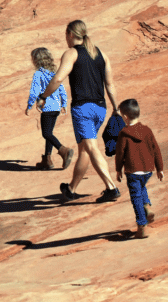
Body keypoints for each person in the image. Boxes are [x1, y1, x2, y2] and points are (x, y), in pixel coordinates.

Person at [35, 19, 121, 202]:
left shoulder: (71, 53)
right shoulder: (101, 54)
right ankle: (71, 189)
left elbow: (58, 78)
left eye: (66, 35)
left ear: (71, 34)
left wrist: (43, 96)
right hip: (100, 108)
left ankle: (111, 188)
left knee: (90, 147)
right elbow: (110, 84)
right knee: (84, 149)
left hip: (83, 109)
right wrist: (116, 108)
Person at [114, 98, 164, 238]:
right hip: (147, 170)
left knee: (136, 196)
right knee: (142, 188)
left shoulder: (124, 133)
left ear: (125, 117)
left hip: (133, 170)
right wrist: (159, 168)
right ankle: (147, 206)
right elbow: (156, 150)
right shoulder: (147, 130)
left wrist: (118, 170)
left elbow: (120, 154)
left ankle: (141, 226)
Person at [24, 47, 74, 170]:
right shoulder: (54, 73)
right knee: (49, 133)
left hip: (47, 107)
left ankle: (63, 150)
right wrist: (63, 104)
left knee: (46, 133)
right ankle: (47, 160)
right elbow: (61, 88)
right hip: (56, 107)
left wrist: (30, 105)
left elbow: (34, 91)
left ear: (36, 60)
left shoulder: (38, 74)